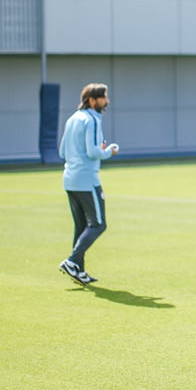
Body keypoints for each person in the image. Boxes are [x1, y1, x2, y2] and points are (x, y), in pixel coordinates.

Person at [58, 83, 119, 286]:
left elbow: (62, 152)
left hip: (69, 180)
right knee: (99, 224)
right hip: (87, 180)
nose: (106, 101)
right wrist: (109, 151)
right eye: (103, 97)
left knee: (82, 226)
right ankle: (72, 261)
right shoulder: (92, 119)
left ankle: (79, 271)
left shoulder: (72, 118)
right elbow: (93, 152)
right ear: (92, 100)